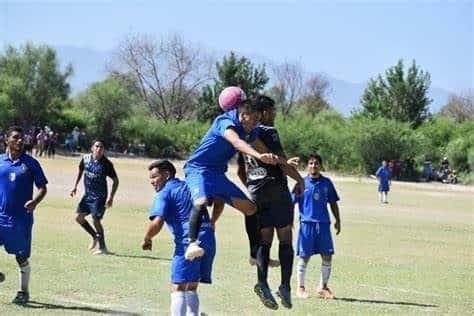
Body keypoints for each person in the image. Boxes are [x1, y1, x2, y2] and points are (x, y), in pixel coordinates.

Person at [183, 98, 280, 261]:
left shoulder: (250, 130)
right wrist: (257, 155)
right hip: (198, 170)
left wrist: (284, 161)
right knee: (200, 202)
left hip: (218, 175)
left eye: (259, 119)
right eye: (254, 119)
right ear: (243, 115)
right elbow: (236, 142)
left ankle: (254, 254)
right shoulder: (224, 121)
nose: (257, 123)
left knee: (251, 209)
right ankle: (192, 244)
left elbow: (264, 150)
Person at [237, 95, 304, 310]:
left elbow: (240, 170)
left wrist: (252, 188)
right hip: (276, 189)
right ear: (264, 112)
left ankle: (262, 282)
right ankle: (284, 286)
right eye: (272, 111)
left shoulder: (243, 135)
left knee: (264, 239)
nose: (274, 115)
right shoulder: (268, 131)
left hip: (256, 191)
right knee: (285, 236)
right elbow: (281, 163)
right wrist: (300, 180)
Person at [142, 160, 216, 316]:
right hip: (208, 238)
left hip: (189, 241)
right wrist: (213, 221)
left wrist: (147, 238)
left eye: (155, 177)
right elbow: (218, 200)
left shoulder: (165, 192)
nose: (152, 182)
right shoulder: (190, 185)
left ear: (167, 175)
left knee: (178, 287)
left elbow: (157, 222)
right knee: (191, 286)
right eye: (150, 178)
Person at [0, 126, 48, 304]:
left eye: (22, 138)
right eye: (15, 138)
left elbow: (43, 188)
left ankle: (23, 292)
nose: (20, 141)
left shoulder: (31, 163)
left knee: (21, 256)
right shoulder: (0, 161)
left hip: (21, 219)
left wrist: (35, 202)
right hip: (0, 216)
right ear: (7, 140)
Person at [294, 153, 341, 299]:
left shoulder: (327, 183)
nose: (313, 166)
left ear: (320, 166)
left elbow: (333, 202)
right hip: (307, 224)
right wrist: (288, 221)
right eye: (311, 163)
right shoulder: (300, 183)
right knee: (304, 256)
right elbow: (291, 203)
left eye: (316, 163)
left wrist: (338, 220)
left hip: (323, 224)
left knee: (327, 256)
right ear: (307, 166)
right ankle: (300, 288)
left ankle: (323, 287)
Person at [70, 140, 119, 254]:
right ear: (92, 148)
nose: (99, 149)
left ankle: (103, 248)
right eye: (97, 146)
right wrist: (75, 186)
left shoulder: (106, 164)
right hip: (87, 195)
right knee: (79, 218)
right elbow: (80, 171)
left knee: (96, 220)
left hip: (99, 196)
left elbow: (116, 180)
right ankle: (94, 236)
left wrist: (111, 197)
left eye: (101, 147)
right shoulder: (86, 159)